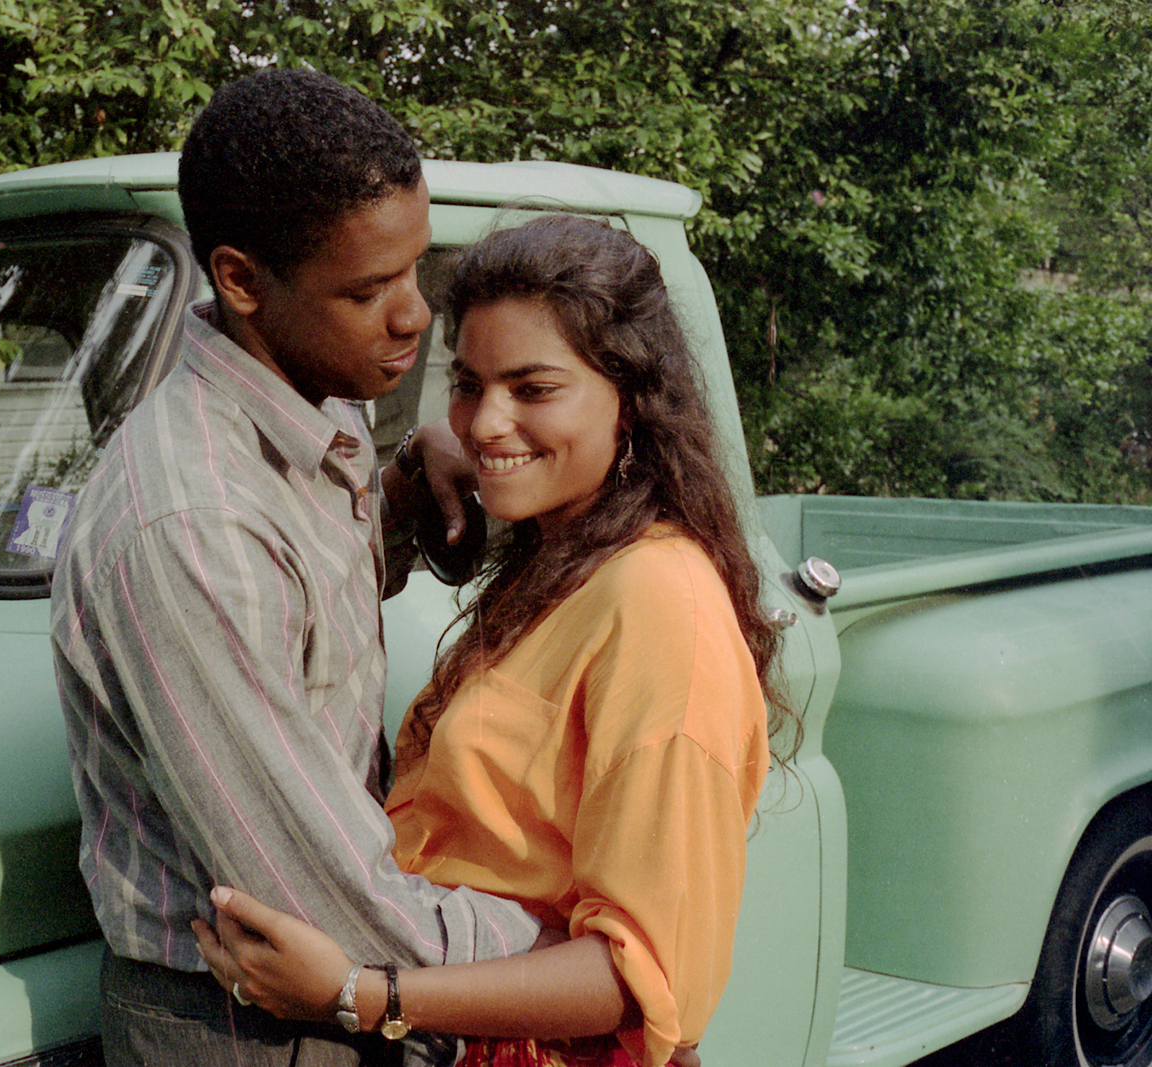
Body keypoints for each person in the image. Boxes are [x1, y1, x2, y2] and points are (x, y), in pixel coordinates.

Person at [195, 214, 796, 1067]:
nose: (484, 423)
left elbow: (642, 979)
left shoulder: (662, 604)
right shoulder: (567, 554)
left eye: (534, 388)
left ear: (633, 396)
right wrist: (422, 457)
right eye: (468, 384)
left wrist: (358, 993)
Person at [51, 67, 546, 1067]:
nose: (412, 315)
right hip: (245, 1024)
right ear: (240, 281)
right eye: (368, 290)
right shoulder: (191, 524)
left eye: (416, 269)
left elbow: (305, 601)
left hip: (337, 994)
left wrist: (403, 487)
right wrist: (560, 943)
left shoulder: (318, 393)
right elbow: (321, 897)